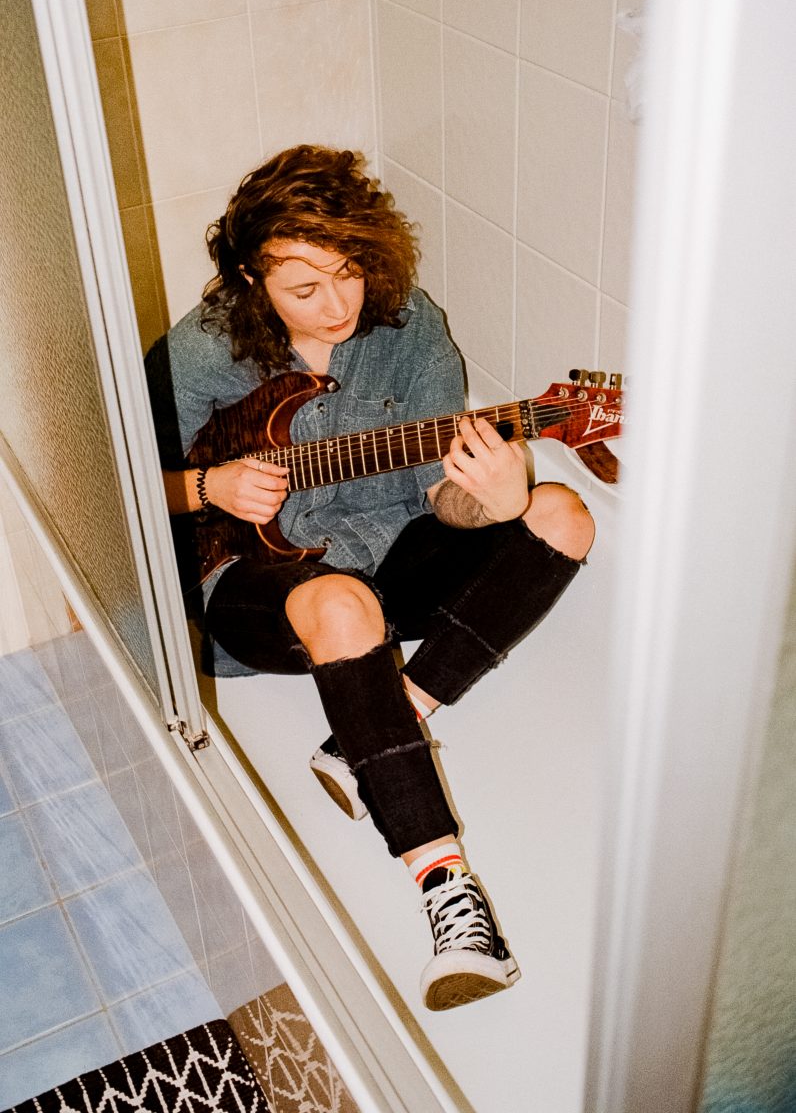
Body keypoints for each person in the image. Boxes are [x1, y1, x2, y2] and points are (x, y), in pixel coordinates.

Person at [145, 144, 595, 1012]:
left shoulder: (411, 324)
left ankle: (382, 723)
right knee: (342, 604)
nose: (338, 303)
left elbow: (441, 494)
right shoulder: (207, 347)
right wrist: (209, 485)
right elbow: (114, 478)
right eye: (304, 288)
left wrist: (495, 502)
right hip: (256, 583)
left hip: (387, 557)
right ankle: (452, 901)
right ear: (251, 278)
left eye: (350, 272)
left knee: (560, 514)